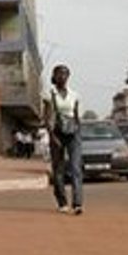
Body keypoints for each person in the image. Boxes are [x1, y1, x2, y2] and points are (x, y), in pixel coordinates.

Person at [43, 64, 83, 215]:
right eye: (59, 74)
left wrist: (78, 130)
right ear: (54, 76)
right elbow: (47, 117)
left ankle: (77, 203)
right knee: (58, 169)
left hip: (73, 133)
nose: (62, 76)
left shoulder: (74, 95)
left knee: (75, 168)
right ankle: (62, 202)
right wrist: (52, 137)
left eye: (65, 74)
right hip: (57, 133)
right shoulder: (49, 94)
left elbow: (77, 116)